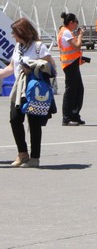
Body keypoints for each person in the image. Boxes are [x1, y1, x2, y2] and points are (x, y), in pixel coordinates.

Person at [0, 18, 57, 168]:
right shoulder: (18, 47)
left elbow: (51, 67)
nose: (12, 35)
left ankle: (35, 157)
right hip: (19, 89)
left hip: (34, 89)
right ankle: (22, 153)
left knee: (34, 123)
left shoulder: (39, 47)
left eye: (15, 32)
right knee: (14, 119)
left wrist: (33, 68)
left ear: (22, 32)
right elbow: (11, 68)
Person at [58, 12, 86, 125]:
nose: (76, 25)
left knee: (78, 89)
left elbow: (72, 50)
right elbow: (77, 46)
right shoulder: (66, 32)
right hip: (69, 65)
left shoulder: (65, 32)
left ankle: (74, 115)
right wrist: (80, 35)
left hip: (72, 63)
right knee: (70, 91)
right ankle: (67, 117)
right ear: (71, 22)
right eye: (76, 22)